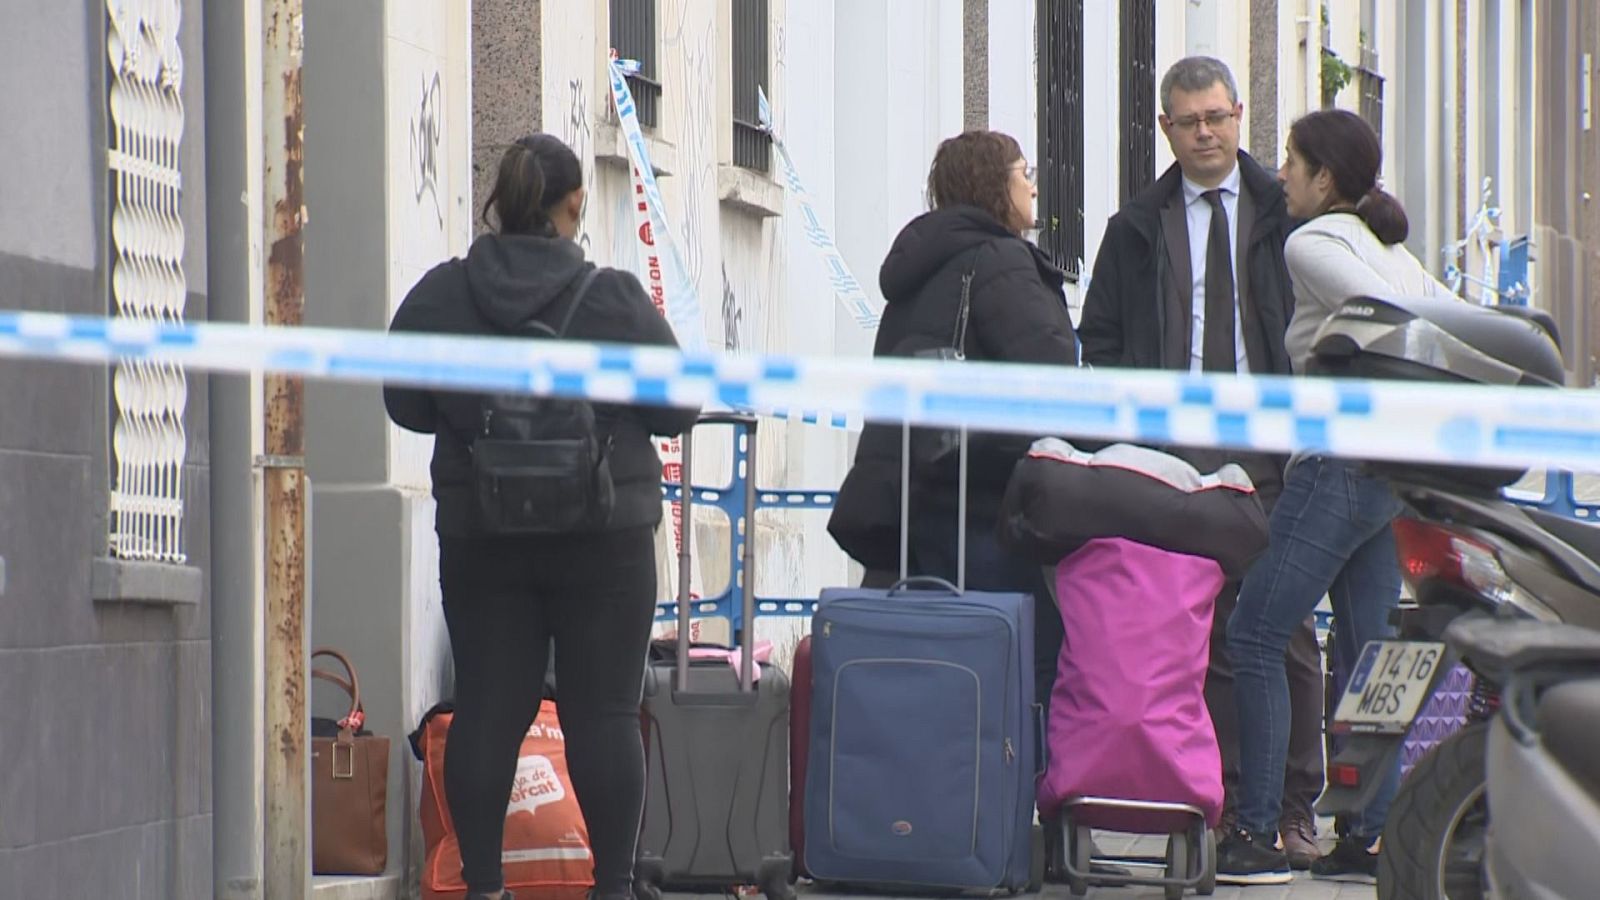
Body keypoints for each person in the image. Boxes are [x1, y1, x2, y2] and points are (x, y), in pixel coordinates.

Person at [384, 133, 699, 900]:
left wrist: (474, 423)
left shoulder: (442, 294)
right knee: (604, 713)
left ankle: (484, 886)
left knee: (490, 705)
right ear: (573, 205)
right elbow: (677, 407)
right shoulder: (613, 298)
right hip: (607, 538)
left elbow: (402, 400)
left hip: (483, 536)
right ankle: (613, 888)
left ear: (500, 202)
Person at [1076, 55, 1326, 878]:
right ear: (1165, 129)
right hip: (1176, 453)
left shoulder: (1283, 214)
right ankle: (1217, 801)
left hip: (1271, 447)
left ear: (1238, 114)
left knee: (1280, 628)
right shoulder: (1136, 226)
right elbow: (1101, 341)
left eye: (1217, 117)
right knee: (1196, 631)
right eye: (1189, 122)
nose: (1206, 133)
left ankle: (1292, 805)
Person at [1223, 108, 1453, 885]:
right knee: (1366, 655)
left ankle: (1254, 833)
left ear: (1325, 177)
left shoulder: (1314, 240)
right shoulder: (1393, 246)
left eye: (1291, 161)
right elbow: (1440, 316)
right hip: (1390, 473)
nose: (1280, 173)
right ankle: (1369, 836)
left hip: (1335, 467)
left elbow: (1395, 317)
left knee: (1255, 634)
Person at [827, 129, 1080, 708]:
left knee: (929, 682)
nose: (1033, 185)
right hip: (991, 508)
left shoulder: (918, 268)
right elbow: (1054, 377)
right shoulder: (1002, 262)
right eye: (1024, 172)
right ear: (996, 184)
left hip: (915, 506)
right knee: (1021, 677)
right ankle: (1011, 797)